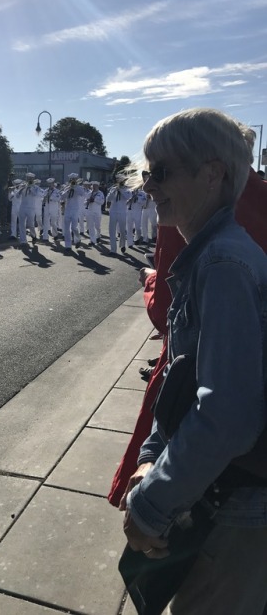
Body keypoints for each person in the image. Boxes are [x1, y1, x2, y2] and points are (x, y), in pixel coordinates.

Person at [121, 108, 267, 615]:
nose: (147, 186)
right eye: (146, 172)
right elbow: (184, 378)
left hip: (238, 510)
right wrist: (148, 460)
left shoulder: (222, 263)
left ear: (212, 173)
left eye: (161, 172)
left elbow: (227, 414)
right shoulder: (212, 253)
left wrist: (151, 504)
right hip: (224, 497)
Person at [60, 173, 86, 251]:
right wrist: (68, 190)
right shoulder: (67, 188)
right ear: (70, 180)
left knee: (74, 228)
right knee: (67, 228)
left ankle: (78, 239)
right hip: (68, 209)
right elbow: (62, 197)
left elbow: (82, 194)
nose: (73, 180)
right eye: (71, 179)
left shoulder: (79, 187)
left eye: (74, 179)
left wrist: (75, 187)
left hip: (75, 210)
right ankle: (68, 245)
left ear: (76, 179)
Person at [106, 178, 132, 254]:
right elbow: (108, 199)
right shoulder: (113, 189)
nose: (120, 182)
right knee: (112, 231)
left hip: (122, 212)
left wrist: (121, 190)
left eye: (122, 181)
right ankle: (113, 249)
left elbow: (128, 197)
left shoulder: (127, 190)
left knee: (122, 231)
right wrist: (113, 192)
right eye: (119, 181)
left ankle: (123, 245)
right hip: (113, 211)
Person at [18, 172, 41, 245]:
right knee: (21, 224)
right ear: (26, 178)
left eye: (31, 178)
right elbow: (17, 196)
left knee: (31, 224)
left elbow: (35, 194)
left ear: (33, 179)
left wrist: (30, 187)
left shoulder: (36, 187)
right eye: (28, 178)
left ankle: (33, 235)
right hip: (22, 207)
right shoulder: (22, 185)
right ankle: (23, 240)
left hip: (31, 207)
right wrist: (22, 188)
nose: (29, 179)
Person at [84, 180, 105, 246]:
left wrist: (94, 200)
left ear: (98, 186)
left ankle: (98, 236)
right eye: (93, 186)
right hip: (90, 212)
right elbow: (84, 202)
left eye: (95, 186)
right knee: (90, 226)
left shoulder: (100, 193)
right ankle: (92, 240)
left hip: (97, 212)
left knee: (97, 226)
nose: (94, 187)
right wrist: (87, 201)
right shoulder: (89, 193)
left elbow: (102, 202)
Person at [41, 177, 62, 243]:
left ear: (53, 183)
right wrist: (44, 198)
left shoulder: (57, 191)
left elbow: (58, 199)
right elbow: (42, 198)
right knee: (46, 221)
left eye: (51, 183)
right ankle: (45, 237)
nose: (50, 185)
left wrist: (51, 197)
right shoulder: (46, 190)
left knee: (53, 222)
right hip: (47, 207)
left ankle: (55, 235)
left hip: (54, 208)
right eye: (49, 184)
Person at [141, 172, 158, 244]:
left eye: (147, 176)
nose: (146, 178)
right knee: (143, 223)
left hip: (152, 206)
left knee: (153, 223)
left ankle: (154, 236)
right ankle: (145, 239)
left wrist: (151, 196)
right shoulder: (141, 186)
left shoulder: (153, 184)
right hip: (144, 207)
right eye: (144, 177)